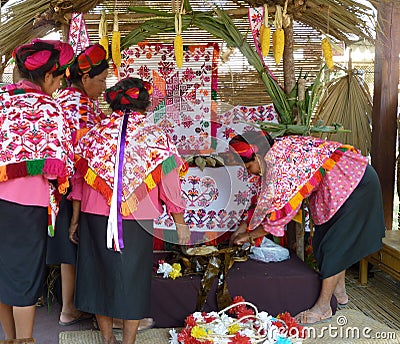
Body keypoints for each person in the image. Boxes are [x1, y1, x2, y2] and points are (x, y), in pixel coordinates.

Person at [69, 77, 191, 344]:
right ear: (145, 104)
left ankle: (106, 339)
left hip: (95, 215)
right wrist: (180, 222)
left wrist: (75, 220)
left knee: (98, 276)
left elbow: (78, 179)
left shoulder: (94, 134)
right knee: (133, 280)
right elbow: (169, 183)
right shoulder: (156, 137)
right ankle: (128, 342)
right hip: (138, 219)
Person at [228, 132, 386, 325]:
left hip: (356, 181)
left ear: (257, 155)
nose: (251, 173)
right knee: (323, 240)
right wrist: (245, 225)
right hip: (339, 187)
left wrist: (248, 235)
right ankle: (340, 293)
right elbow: (264, 198)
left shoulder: (280, 164)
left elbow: (277, 216)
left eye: (249, 167)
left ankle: (323, 307)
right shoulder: (273, 153)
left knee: (334, 246)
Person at [0, 39, 75, 340]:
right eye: (57, 79)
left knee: (4, 278)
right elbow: (62, 164)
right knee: (25, 281)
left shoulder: (1, 102)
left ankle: (9, 339)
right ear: (47, 77)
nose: (57, 86)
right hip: (27, 206)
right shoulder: (51, 108)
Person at [46, 43, 109, 327]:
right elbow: (84, 157)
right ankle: (83, 309)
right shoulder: (81, 106)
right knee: (78, 246)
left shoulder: (63, 99)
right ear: (85, 79)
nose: (104, 86)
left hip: (58, 188)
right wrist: (76, 208)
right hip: (76, 189)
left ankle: (69, 308)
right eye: (102, 79)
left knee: (69, 252)